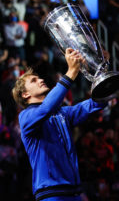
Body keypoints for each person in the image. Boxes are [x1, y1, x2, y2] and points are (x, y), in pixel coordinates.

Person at [12, 48, 107, 201]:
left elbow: (92, 104)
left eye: (38, 78)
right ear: (25, 94)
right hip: (52, 193)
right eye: (33, 81)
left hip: (73, 191)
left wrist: (102, 71)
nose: (41, 80)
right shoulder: (26, 117)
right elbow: (45, 109)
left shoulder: (61, 113)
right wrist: (70, 74)